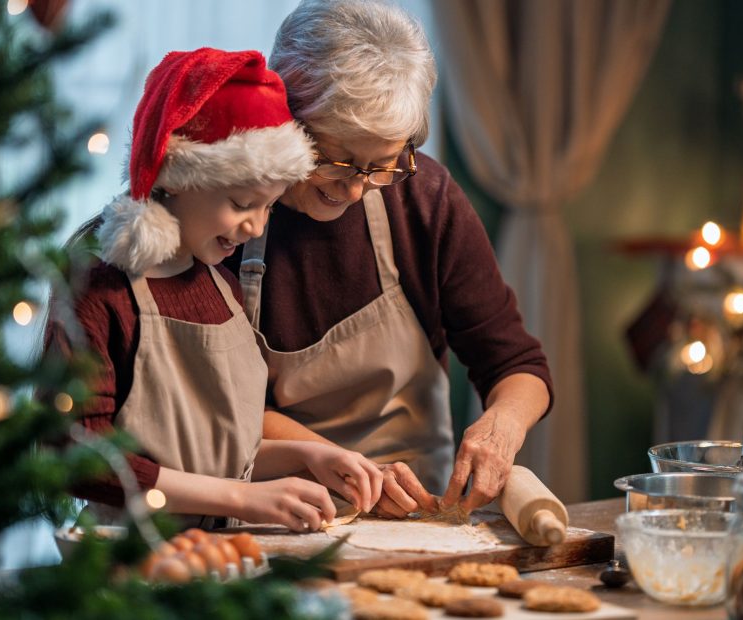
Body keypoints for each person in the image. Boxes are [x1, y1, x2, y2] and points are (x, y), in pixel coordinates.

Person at [225, 0, 553, 518]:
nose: (356, 190)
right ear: (283, 118)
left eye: (381, 165)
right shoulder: (226, 214)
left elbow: (517, 364)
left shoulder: (424, 199)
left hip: (417, 508)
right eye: (337, 161)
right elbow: (220, 406)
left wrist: (502, 426)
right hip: (274, 506)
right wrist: (344, 465)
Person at [44, 47, 382, 532]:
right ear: (176, 178)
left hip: (222, 561)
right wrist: (242, 498)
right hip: (132, 566)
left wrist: (307, 457)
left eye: (267, 207)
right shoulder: (100, 287)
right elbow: (76, 454)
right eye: (242, 202)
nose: (254, 225)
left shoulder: (219, 285)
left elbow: (213, 454)